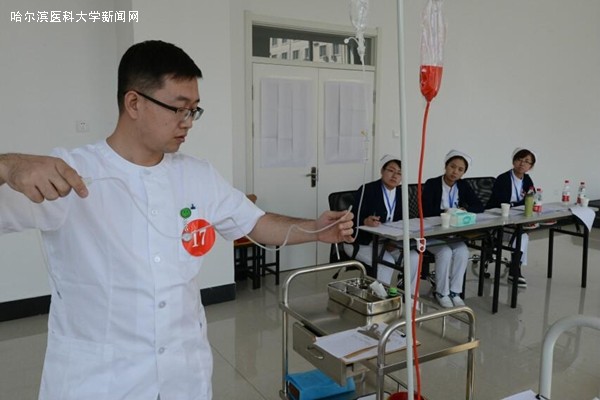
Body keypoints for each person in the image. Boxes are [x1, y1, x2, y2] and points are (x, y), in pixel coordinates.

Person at [0, 40, 353, 400]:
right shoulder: (69, 173)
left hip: (183, 376)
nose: (188, 123)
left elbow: (254, 223)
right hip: (99, 381)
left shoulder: (197, 175)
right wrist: (7, 165)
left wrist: (316, 229)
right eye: (179, 109)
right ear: (134, 103)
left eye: (194, 110)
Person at [346, 155, 419, 291]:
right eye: (391, 170)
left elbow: (404, 221)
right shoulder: (367, 189)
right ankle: (380, 298)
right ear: (382, 171)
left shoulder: (402, 193)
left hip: (390, 242)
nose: (395, 176)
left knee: (414, 257)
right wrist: (365, 221)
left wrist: (393, 241)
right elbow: (351, 218)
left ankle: (410, 296)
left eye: (399, 173)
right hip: (362, 241)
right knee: (386, 262)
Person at [422, 150, 483, 308]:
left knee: (463, 251)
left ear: (463, 173)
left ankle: (455, 292)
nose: (455, 172)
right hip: (432, 232)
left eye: (460, 169)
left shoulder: (463, 185)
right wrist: (446, 212)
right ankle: (441, 292)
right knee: (445, 252)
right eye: (452, 167)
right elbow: (426, 211)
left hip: (452, 233)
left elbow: (479, 206)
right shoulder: (432, 184)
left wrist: (464, 209)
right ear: (446, 166)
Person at [486, 147, 537, 287]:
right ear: (514, 161)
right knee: (520, 235)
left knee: (523, 236)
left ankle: (515, 269)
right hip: (497, 221)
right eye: (519, 159)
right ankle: (515, 271)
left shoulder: (527, 179)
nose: (522, 163)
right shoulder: (503, 178)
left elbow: (531, 198)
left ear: (530, 166)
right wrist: (518, 205)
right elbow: (501, 202)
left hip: (515, 220)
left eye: (526, 161)